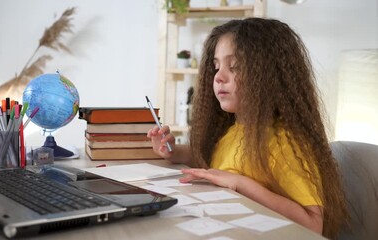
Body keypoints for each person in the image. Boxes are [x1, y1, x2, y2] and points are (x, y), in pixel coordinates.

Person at [148, 18, 348, 238]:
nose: (218, 77)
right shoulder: (234, 131)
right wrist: (173, 151)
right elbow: (211, 158)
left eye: (234, 67)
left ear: (270, 76)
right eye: (216, 67)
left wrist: (239, 184)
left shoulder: (283, 144)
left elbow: (312, 225)